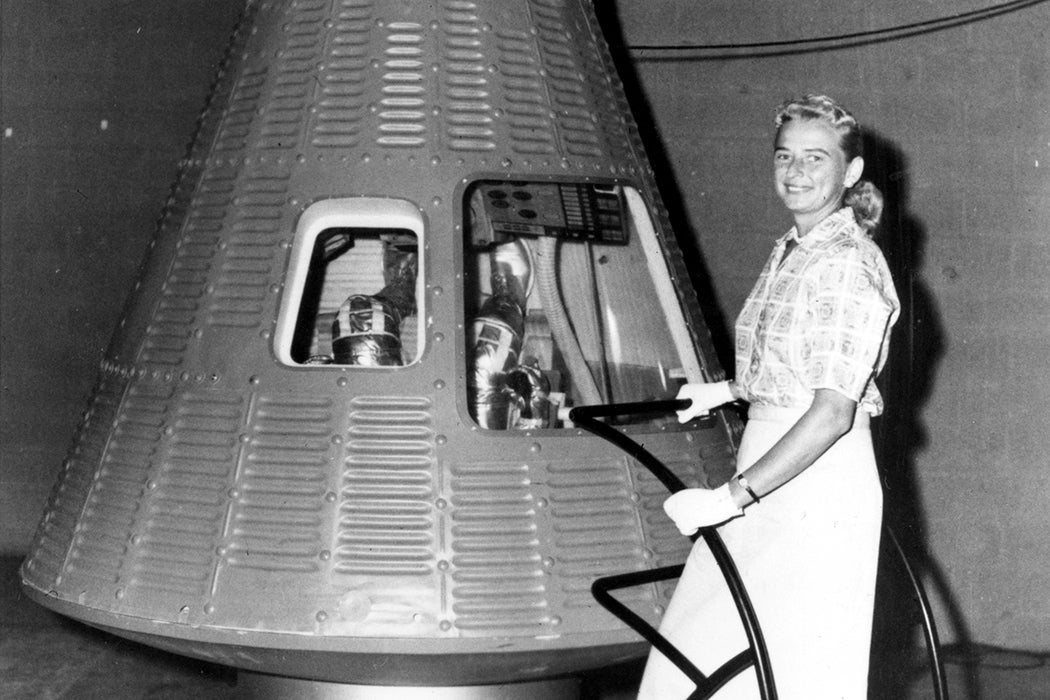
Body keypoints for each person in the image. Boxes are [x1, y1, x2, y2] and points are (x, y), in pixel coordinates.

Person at [638, 95, 900, 699]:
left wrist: (731, 497)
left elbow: (833, 412)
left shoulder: (846, 262)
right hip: (767, 465)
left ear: (851, 173)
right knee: (700, 654)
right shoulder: (793, 248)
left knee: (791, 670)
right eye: (785, 156)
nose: (796, 172)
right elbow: (794, 362)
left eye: (816, 158)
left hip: (815, 480)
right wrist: (725, 390)